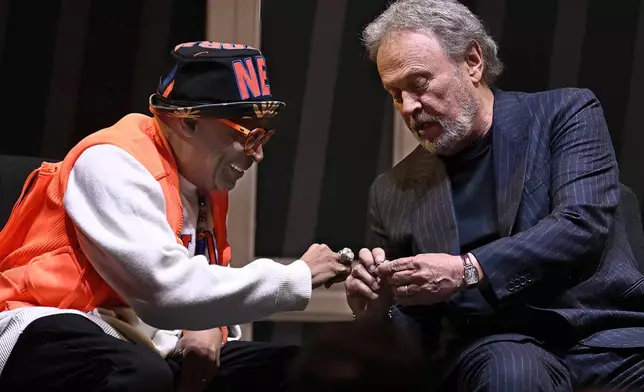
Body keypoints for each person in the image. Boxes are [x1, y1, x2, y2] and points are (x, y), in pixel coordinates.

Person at [0, 41, 350, 392]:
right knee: (142, 376)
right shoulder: (111, 162)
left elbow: (196, 290)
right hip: (46, 321)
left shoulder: (204, 184)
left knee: (302, 371)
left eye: (265, 135)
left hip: (139, 334)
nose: (257, 154)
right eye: (248, 134)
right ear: (186, 122)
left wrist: (209, 325)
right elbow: (165, 292)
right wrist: (297, 276)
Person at [344, 0, 644, 391]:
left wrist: (465, 268)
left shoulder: (565, 115)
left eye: (419, 84)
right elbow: (413, 329)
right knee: (512, 371)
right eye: (395, 93)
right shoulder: (391, 190)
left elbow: (581, 223)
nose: (409, 107)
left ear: (472, 61)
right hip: (498, 349)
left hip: (603, 338)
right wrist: (374, 309)